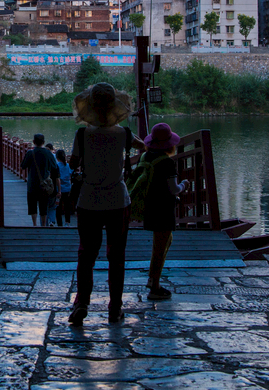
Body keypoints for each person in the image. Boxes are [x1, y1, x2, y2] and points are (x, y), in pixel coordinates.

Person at [68, 82, 133, 326]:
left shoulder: (83, 134)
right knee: (116, 255)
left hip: (89, 201)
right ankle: (115, 307)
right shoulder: (124, 134)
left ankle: (82, 303)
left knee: (87, 254)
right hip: (118, 200)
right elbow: (143, 146)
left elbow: (74, 164)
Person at [141, 122, 189, 301]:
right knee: (161, 246)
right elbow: (173, 189)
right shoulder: (167, 162)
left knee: (161, 242)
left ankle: (153, 280)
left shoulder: (146, 157)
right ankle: (154, 286)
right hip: (164, 208)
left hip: (149, 206)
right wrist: (184, 184)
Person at [20, 133, 59, 227]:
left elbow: (23, 166)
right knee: (43, 205)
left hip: (32, 184)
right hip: (44, 184)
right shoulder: (48, 153)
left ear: (33, 142)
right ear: (44, 142)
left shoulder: (30, 153)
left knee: (32, 205)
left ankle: (34, 224)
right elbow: (54, 167)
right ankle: (44, 225)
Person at [54, 148, 73, 226]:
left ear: (57, 157)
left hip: (59, 190)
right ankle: (67, 222)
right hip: (68, 189)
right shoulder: (68, 166)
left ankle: (59, 223)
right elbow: (71, 173)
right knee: (67, 206)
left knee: (58, 207)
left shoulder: (57, 166)